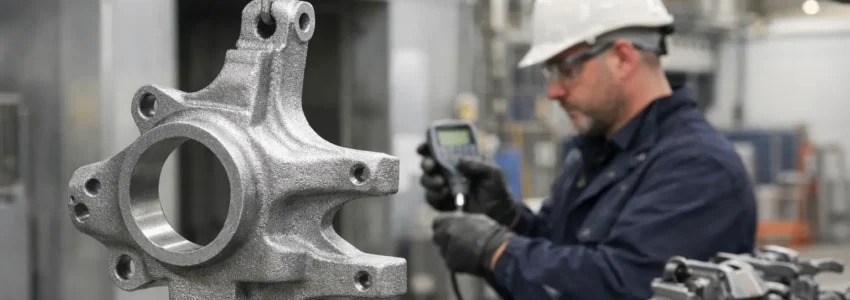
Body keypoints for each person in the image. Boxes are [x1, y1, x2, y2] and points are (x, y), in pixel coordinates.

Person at [416, 0, 758, 299]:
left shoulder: (700, 168)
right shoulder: (596, 153)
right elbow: (560, 257)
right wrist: (506, 219)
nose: (553, 91)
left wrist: (497, 251)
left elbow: (625, 286)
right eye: (550, 72)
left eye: (567, 70)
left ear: (622, 58)